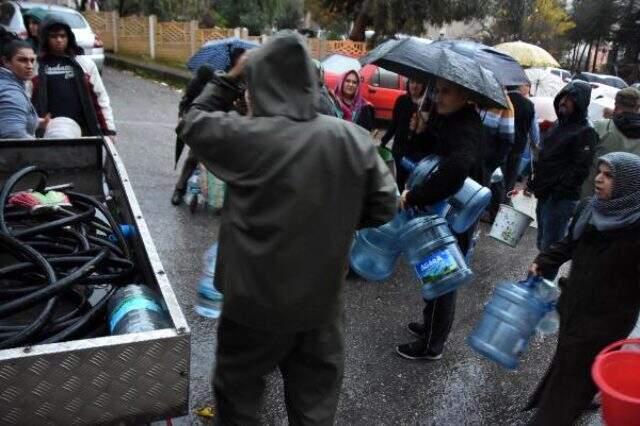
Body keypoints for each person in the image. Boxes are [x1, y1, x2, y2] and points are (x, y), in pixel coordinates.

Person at [178, 33, 397, 424]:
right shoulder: (350, 138)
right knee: (313, 405)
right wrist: (335, 219)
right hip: (320, 302)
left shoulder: (246, 136)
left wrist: (230, 78)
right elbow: (384, 205)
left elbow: (192, 121)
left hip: (251, 304)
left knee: (239, 397)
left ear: (259, 85)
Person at [525, 152, 640, 426]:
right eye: (599, 172)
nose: (599, 179)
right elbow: (570, 242)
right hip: (574, 304)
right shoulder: (591, 207)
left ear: (630, 184)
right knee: (569, 362)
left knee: (573, 376)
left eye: (610, 175)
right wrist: (544, 260)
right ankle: (559, 400)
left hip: (606, 320)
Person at [396, 78, 485, 360]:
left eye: (446, 91)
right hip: (445, 210)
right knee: (434, 268)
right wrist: (420, 132)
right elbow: (433, 156)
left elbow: (454, 171)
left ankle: (432, 345)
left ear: (464, 95)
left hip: (455, 212)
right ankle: (430, 326)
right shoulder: (450, 119)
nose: (438, 97)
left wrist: (415, 196)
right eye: (437, 90)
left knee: (444, 277)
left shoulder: (466, 126)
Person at [527, 81, 598, 255]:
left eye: (570, 98)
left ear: (580, 102)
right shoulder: (558, 124)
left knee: (550, 247)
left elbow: (580, 169)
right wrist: (534, 181)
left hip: (560, 199)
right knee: (543, 241)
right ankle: (539, 278)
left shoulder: (586, 132)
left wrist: (559, 191)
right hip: (545, 193)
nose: (563, 102)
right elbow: (547, 157)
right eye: (562, 97)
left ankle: (541, 280)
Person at [171, 48, 247, 206]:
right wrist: (181, 115)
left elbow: (240, 110)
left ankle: (222, 197)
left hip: (225, 126)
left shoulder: (243, 84)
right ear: (235, 60)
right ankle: (180, 189)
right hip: (204, 123)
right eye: (242, 59)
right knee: (193, 156)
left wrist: (240, 107)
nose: (245, 62)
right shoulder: (210, 75)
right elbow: (189, 99)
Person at [31, 16, 116, 138]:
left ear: (69, 38)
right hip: (46, 133)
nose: (59, 40)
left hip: (83, 132)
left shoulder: (85, 64)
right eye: (53, 36)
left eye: (62, 36)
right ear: (46, 38)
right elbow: (26, 100)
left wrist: (109, 130)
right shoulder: (35, 66)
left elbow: (100, 97)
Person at [581, 87, 640, 198]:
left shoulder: (599, 127)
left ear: (616, 105)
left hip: (592, 198)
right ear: (638, 108)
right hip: (627, 205)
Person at [381, 79, 427, 190]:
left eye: (418, 82)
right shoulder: (401, 100)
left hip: (416, 153)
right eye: (412, 81)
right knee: (397, 181)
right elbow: (394, 123)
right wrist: (383, 141)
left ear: (424, 85)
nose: (414, 86)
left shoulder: (427, 106)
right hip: (399, 149)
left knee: (411, 184)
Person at [0, 32, 44, 139]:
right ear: (6, 61)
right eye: (22, 60)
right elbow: (14, 136)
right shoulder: (11, 92)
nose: (29, 66)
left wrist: (37, 121)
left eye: (32, 60)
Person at [501, 84, 539, 199]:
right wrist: (535, 142)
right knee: (511, 177)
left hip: (500, 144)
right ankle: (504, 201)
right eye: (528, 86)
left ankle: (490, 203)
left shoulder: (503, 99)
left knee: (497, 175)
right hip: (518, 147)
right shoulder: (529, 105)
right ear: (522, 86)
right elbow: (534, 132)